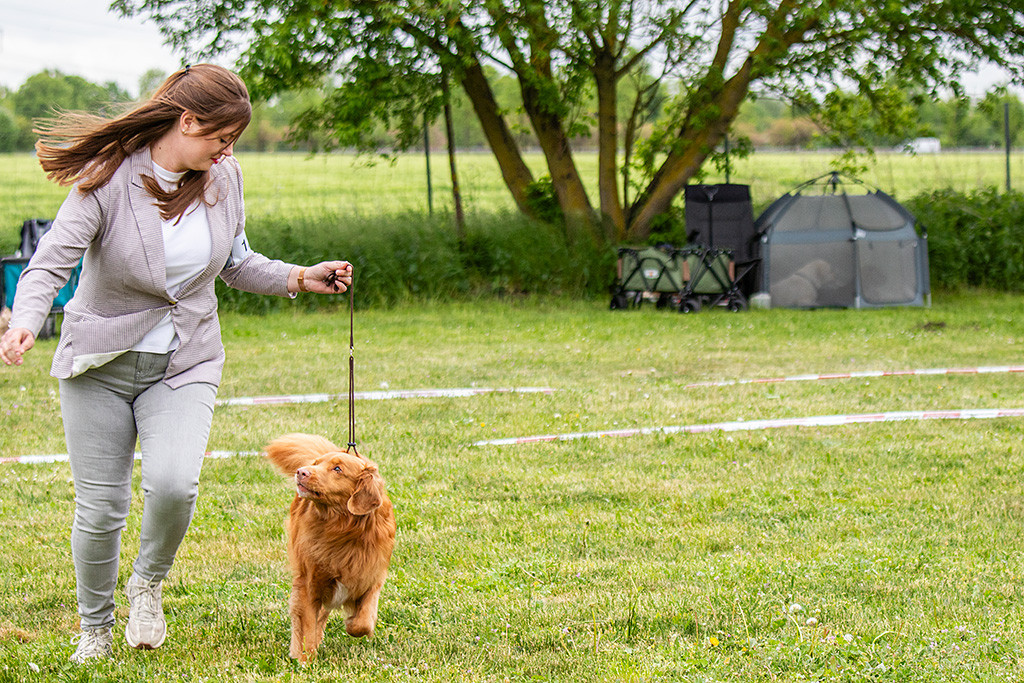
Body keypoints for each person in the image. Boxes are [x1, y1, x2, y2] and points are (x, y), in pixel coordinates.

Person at [0, 64, 352, 664]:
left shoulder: (223, 176)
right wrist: (27, 318)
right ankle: (95, 629)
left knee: (173, 484)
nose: (227, 152)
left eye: (232, 142)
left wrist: (299, 276)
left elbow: (235, 263)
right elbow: (51, 260)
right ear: (187, 121)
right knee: (102, 507)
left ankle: (146, 582)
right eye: (220, 138)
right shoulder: (107, 177)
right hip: (100, 363)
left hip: (185, 359)